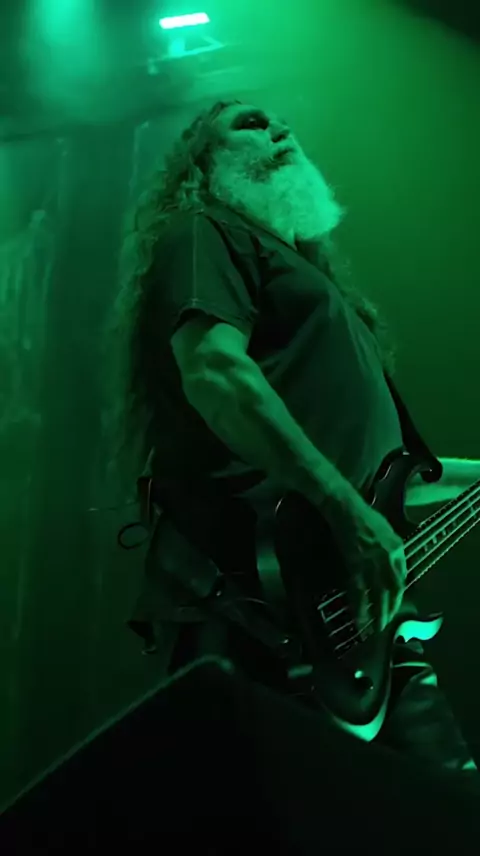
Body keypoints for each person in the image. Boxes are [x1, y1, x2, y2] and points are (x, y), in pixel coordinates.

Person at [109, 99, 478, 780]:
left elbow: (393, 477)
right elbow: (215, 373)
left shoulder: (319, 285)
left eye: (282, 121)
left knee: (442, 811)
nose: (279, 128)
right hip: (264, 599)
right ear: (203, 164)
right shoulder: (205, 230)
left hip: (359, 613)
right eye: (249, 124)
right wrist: (347, 513)